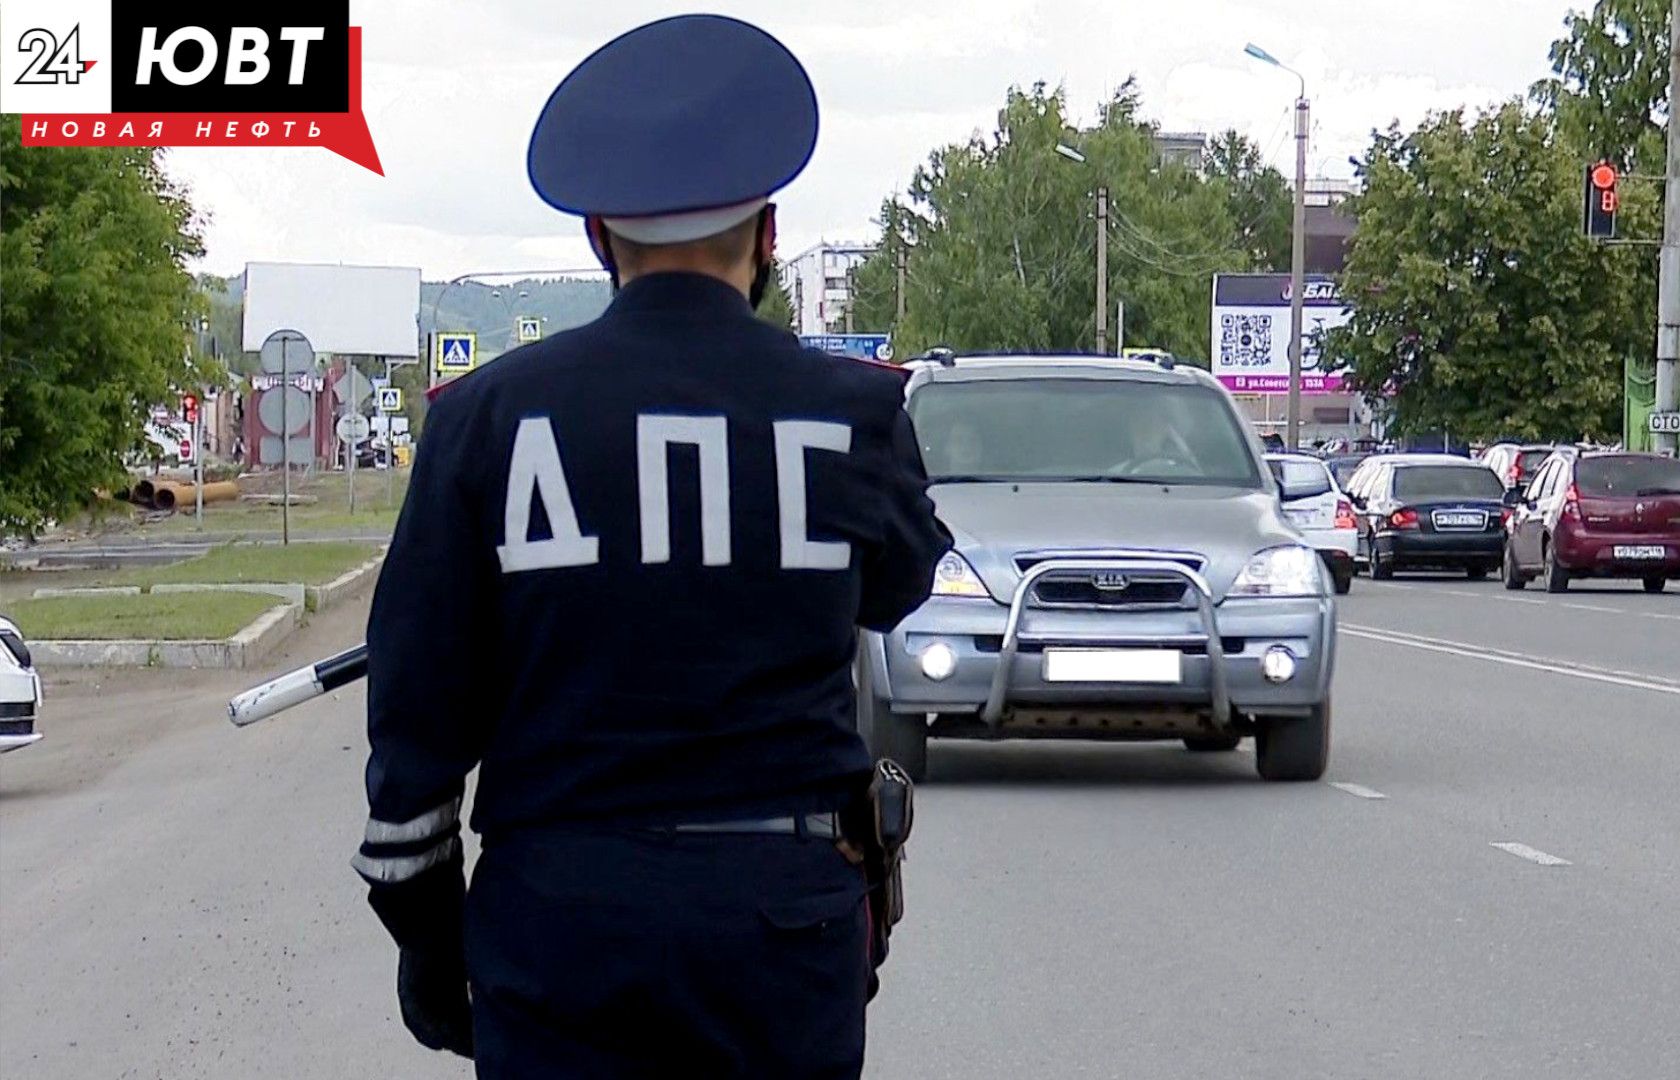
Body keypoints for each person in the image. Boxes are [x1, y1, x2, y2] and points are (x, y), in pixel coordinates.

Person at [351, 15, 952, 1079]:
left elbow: (417, 722)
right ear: (769, 235)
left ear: (597, 237)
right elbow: (901, 587)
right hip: (783, 931)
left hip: (558, 930)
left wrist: (431, 943)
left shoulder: (484, 421)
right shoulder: (852, 412)